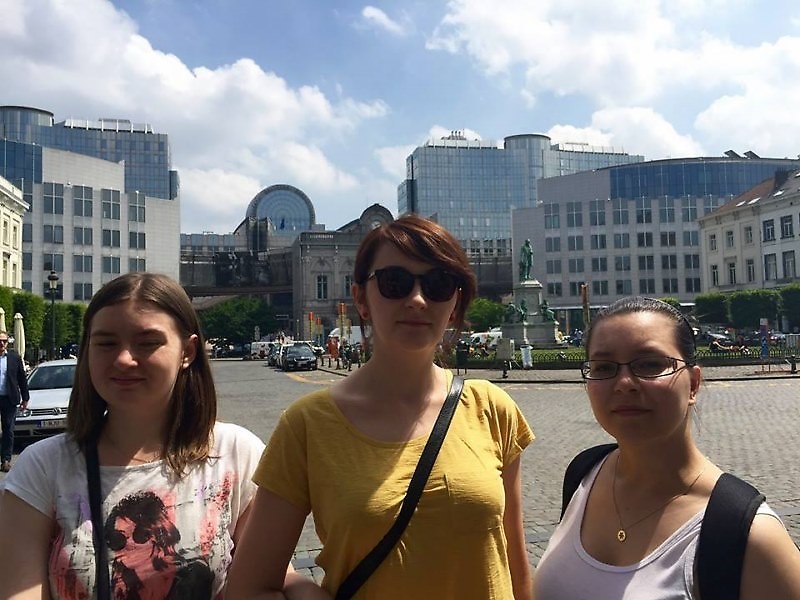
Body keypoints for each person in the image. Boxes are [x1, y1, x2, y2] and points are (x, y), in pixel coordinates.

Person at [228, 215, 535, 599]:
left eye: (438, 284)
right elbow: (250, 586)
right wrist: (306, 593)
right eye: (395, 282)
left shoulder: (492, 408)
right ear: (361, 299)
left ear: (454, 302)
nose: (418, 299)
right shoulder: (307, 425)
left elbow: (515, 563)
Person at [0, 273, 312, 599]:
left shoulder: (236, 453)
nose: (123, 358)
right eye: (106, 343)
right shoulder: (41, 467)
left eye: (147, 342)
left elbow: (274, 577)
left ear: (188, 351)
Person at [533, 296, 800, 599]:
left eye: (650, 364)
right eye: (604, 367)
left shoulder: (751, 537)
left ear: (693, 384)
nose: (624, 383)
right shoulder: (583, 475)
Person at [0, 330, 29, 472]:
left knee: (8, 430)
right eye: (0, 341)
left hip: (9, 398)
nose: (2, 343)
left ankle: (5, 460)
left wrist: (25, 398)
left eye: (4, 341)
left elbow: (22, 379)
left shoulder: (14, 358)